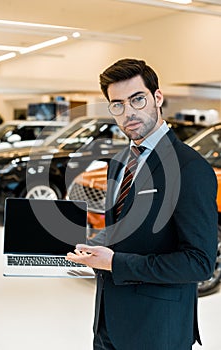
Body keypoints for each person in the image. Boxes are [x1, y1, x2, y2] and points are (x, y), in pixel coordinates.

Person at [66, 58, 218, 350]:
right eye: (118, 104)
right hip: (108, 324)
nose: (129, 112)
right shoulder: (118, 163)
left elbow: (199, 263)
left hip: (158, 329)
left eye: (137, 99)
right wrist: (87, 249)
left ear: (157, 97)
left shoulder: (190, 167)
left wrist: (114, 262)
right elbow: (122, 234)